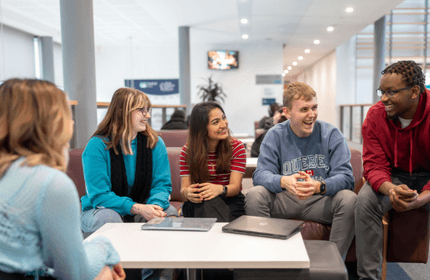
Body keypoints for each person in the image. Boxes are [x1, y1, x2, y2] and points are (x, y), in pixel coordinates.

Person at [0, 78, 124, 280]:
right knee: (104, 274)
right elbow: (75, 273)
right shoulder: (51, 184)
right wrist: (106, 247)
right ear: (52, 123)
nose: (73, 121)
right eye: (67, 113)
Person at [245, 82, 356, 258]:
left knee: (349, 199)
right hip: (285, 199)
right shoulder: (274, 135)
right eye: (304, 109)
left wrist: (320, 186)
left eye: (314, 107)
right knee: (255, 195)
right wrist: (283, 181)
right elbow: (260, 174)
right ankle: (266, 261)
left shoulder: (331, 134)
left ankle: (334, 264)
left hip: (319, 200)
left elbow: (346, 177)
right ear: (287, 112)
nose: (312, 114)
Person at [80, 87, 178, 280]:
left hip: (142, 207)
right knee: (108, 218)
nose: (147, 115)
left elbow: (162, 185)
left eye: (147, 110)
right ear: (124, 112)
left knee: (169, 215)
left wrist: (154, 207)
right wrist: (137, 208)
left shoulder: (155, 143)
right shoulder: (97, 145)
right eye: (142, 110)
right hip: (100, 210)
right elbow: (99, 195)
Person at [356, 60, 430, 280]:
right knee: (365, 200)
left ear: (414, 91)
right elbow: (373, 164)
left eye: (391, 92)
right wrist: (391, 190)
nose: (383, 99)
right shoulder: (376, 116)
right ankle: (368, 277)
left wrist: (422, 198)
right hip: (393, 177)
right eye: (382, 91)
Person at [179, 101, 247, 222]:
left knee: (211, 204)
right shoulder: (188, 151)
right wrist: (188, 193)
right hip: (199, 200)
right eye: (216, 122)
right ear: (201, 128)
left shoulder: (236, 147)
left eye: (223, 118)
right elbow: (184, 190)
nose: (224, 124)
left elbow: (235, 187)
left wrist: (219, 189)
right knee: (207, 201)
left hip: (229, 198)